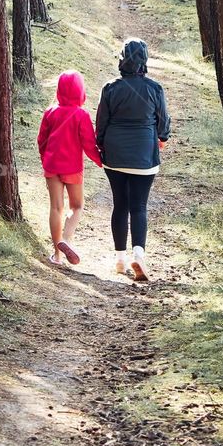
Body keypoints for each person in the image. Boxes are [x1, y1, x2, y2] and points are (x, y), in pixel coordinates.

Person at [96, 39, 171, 281]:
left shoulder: (110, 88)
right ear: (144, 61)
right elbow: (163, 122)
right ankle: (138, 256)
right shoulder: (154, 88)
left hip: (115, 155)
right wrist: (162, 138)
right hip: (144, 156)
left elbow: (101, 123)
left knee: (120, 205)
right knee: (138, 206)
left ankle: (120, 259)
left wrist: (102, 145)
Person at [37, 70, 102, 265]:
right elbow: (89, 144)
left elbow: (41, 140)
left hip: (52, 166)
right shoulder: (81, 114)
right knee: (77, 206)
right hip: (72, 168)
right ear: (80, 91)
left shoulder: (50, 112)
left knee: (56, 207)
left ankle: (57, 255)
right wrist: (100, 161)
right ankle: (66, 238)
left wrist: (45, 159)